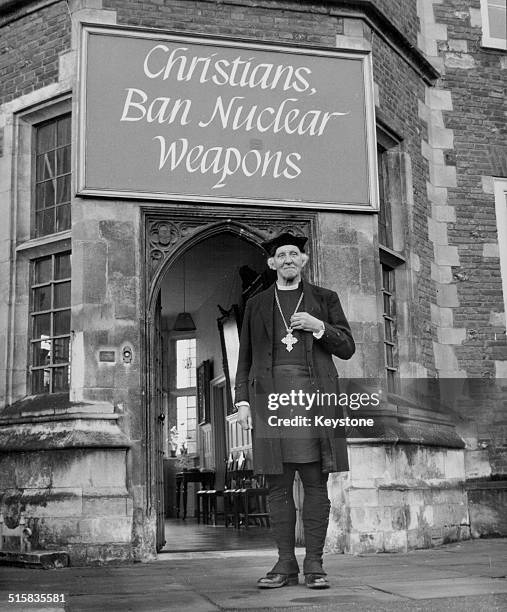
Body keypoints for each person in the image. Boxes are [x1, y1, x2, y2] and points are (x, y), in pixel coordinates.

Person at [235, 231, 355, 589]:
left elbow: (347, 347)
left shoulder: (324, 299)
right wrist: (242, 401)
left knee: (317, 484)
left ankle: (315, 564)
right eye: (281, 255)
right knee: (278, 486)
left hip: (316, 403)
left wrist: (320, 328)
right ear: (272, 263)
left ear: (303, 261)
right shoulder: (256, 304)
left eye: (294, 254)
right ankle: (285, 564)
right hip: (271, 404)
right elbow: (245, 359)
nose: (288, 259)